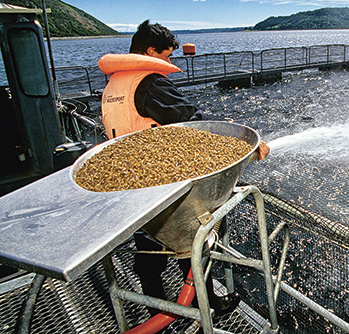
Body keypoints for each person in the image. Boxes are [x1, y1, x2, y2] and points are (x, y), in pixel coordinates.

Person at [98, 20, 269, 317]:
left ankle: (160, 310)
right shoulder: (149, 82)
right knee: (191, 242)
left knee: (148, 251)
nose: (169, 62)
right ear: (151, 51)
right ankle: (203, 305)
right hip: (164, 183)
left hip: (132, 182)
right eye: (166, 56)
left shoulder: (115, 84)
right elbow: (192, 122)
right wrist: (246, 146)